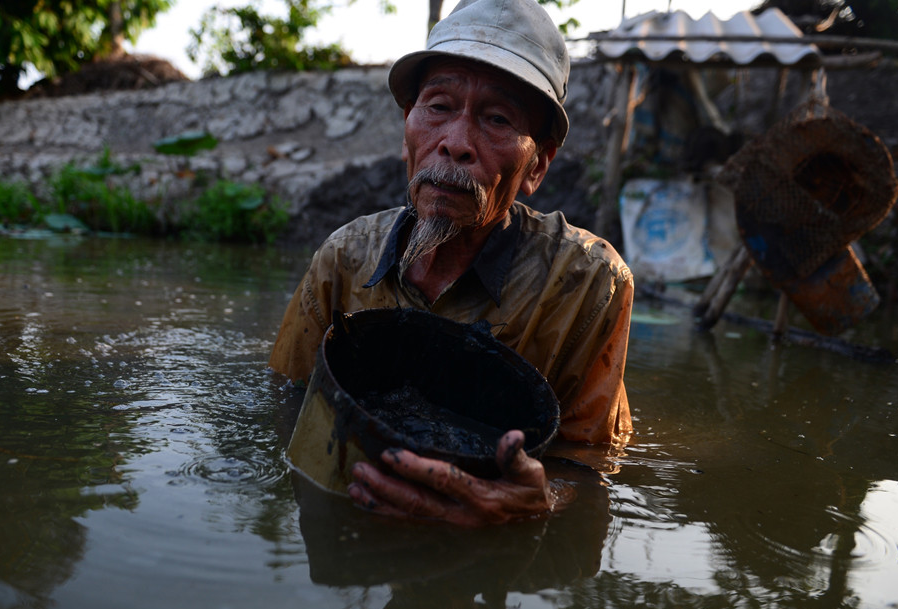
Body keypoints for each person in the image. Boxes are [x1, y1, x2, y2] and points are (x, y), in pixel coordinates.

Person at [270, 0, 633, 526]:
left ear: (537, 165)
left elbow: (591, 466)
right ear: (407, 128)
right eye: (438, 106)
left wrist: (541, 501)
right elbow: (287, 403)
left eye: (497, 119)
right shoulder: (344, 258)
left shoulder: (588, 283)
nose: (456, 144)